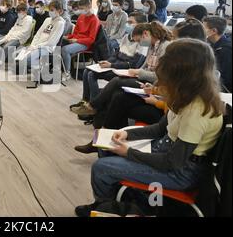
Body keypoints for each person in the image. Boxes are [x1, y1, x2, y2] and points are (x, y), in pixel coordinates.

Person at [75, 39, 224, 216]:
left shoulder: (196, 111)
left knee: (101, 167)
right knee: (106, 148)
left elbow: (173, 163)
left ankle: (107, 209)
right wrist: (124, 134)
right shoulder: (186, 96)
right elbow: (160, 129)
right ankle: (122, 201)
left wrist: (128, 153)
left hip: (181, 172)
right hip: (167, 150)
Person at [72, 21, 172, 118]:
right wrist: (136, 72)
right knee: (114, 89)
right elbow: (145, 66)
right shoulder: (153, 46)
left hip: (152, 83)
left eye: (138, 40)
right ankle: (92, 107)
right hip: (145, 79)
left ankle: (92, 107)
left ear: (145, 33)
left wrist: (138, 72)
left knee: (116, 82)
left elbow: (159, 75)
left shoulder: (165, 47)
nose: (139, 43)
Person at [74, 12, 147, 106]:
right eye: (127, 22)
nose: (127, 25)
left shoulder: (142, 43)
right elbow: (116, 54)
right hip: (115, 66)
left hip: (124, 70)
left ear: (140, 25)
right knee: (86, 71)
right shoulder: (126, 37)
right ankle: (85, 100)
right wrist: (108, 61)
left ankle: (94, 105)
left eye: (131, 22)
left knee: (92, 75)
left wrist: (112, 65)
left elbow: (133, 65)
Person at [14, 1, 65, 79]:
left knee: (27, 59)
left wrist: (36, 46)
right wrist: (32, 45)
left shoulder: (60, 23)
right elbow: (38, 34)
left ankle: (42, 71)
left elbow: (51, 42)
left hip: (47, 48)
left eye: (52, 10)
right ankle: (39, 70)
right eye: (49, 10)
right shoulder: (47, 20)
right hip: (36, 45)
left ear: (59, 11)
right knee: (17, 54)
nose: (50, 12)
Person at [61, 0, 100, 81]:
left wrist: (77, 40)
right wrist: (68, 37)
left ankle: (67, 72)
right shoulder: (81, 17)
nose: (81, 10)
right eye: (80, 8)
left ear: (89, 7)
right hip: (76, 40)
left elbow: (91, 39)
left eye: (82, 8)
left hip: (86, 44)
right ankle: (57, 68)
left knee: (65, 49)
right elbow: (76, 33)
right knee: (59, 42)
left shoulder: (95, 20)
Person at [203, 16, 232, 92]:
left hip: (224, 89)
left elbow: (224, 78)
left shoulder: (226, 50)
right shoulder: (212, 43)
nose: (201, 30)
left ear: (213, 31)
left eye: (203, 28)